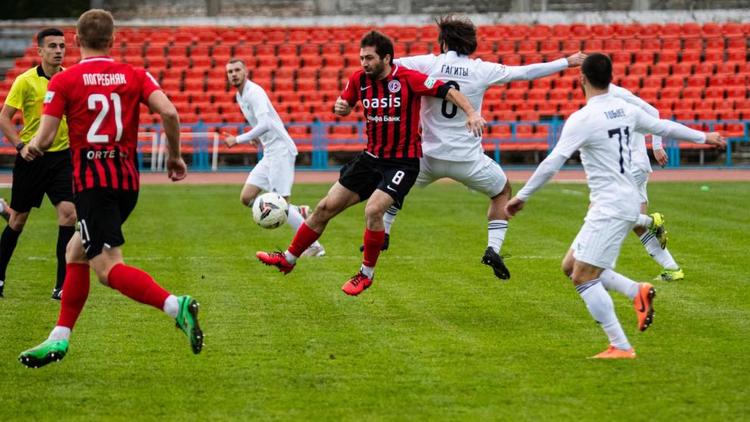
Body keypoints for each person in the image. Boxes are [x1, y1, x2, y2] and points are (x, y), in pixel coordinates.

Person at [505, 53, 725, 359]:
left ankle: (620, 345)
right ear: (610, 77)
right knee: (570, 266)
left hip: (610, 206)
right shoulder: (625, 109)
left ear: (581, 78)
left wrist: (522, 196)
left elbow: (553, 162)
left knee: (583, 277)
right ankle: (637, 291)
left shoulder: (583, 119)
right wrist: (706, 136)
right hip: (619, 202)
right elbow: (664, 126)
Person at [17, 9, 203, 368]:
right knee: (75, 251)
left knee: (106, 269)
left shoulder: (65, 80)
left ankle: (174, 305)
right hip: (126, 182)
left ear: (75, 40)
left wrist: (33, 147)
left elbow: (46, 135)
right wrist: (174, 158)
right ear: (114, 40)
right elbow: (170, 113)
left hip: (92, 184)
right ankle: (59, 338)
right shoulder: (135, 74)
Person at [256, 30, 484, 296]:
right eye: (361, 58)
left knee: (374, 211)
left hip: (402, 162)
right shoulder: (359, 80)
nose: (364, 63)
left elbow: (449, 92)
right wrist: (341, 108)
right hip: (370, 158)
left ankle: (365, 275)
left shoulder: (408, 78)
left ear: (386, 58)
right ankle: (288, 258)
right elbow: (345, 103)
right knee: (324, 207)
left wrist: (471, 113)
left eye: (369, 58)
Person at [366, 15, 586, 280]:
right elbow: (525, 72)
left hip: (427, 156)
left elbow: (386, 66)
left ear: (443, 42)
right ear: (471, 44)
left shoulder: (426, 63)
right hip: (467, 159)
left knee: (397, 183)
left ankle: (386, 232)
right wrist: (568, 61)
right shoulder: (481, 69)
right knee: (502, 191)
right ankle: (493, 248)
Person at [0, 28, 76, 300]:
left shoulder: (70, 79)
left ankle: (62, 285)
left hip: (62, 158)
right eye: (52, 46)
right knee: (18, 221)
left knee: (69, 215)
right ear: (40, 51)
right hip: (32, 158)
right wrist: (20, 147)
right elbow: (4, 118)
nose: (58, 50)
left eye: (62, 46)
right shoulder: (25, 81)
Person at [222, 58, 324, 257]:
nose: (233, 74)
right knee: (246, 197)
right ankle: (298, 211)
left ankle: (314, 246)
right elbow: (260, 124)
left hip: (280, 150)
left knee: (281, 205)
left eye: (237, 70)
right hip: (269, 152)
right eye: (230, 71)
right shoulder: (239, 95)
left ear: (245, 72)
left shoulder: (254, 92)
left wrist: (239, 139)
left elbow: (266, 123)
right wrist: (257, 139)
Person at [609, 84, 683, 281]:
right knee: (636, 224)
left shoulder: (617, 93)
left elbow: (653, 111)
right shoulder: (602, 98)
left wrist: (657, 146)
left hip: (633, 167)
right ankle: (673, 269)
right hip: (633, 167)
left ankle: (653, 221)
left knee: (612, 211)